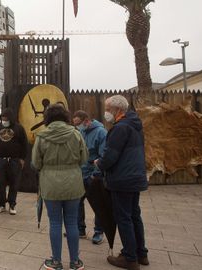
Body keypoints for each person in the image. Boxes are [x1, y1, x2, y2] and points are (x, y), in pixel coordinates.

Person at [94, 95, 149, 270]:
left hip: (122, 179)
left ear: (117, 110)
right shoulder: (135, 126)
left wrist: (99, 163)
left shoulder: (120, 128)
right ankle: (141, 254)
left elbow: (111, 155)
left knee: (124, 218)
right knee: (134, 216)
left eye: (108, 109)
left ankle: (129, 258)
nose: (106, 113)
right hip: (135, 177)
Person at [32, 104, 88, 270]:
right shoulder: (76, 134)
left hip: (50, 184)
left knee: (55, 223)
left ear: (47, 118)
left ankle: (56, 261)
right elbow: (84, 158)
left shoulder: (42, 136)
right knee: (72, 222)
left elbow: (36, 163)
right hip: (73, 183)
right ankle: (75, 262)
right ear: (65, 116)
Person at [72, 110, 107, 244]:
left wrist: (95, 175)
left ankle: (98, 232)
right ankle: (80, 229)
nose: (77, 127)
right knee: (77, 203)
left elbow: (103, 155)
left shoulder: (101, 133)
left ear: (86, 121)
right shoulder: (80, 132)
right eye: (75, 125)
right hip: (80, 173)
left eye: (79, 124)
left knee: (97, 205)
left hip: (93, 175)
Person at [0, 108, 28, 215]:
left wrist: (22, 158)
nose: (4, 120)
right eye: (2, 118)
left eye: (5, 118)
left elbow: (25, 144)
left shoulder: (19, 128)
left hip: (14, 160)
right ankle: (2, 204)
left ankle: (12, 204)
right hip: (0, 160)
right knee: (0, 183)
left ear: (11, 118)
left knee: (14, 183)